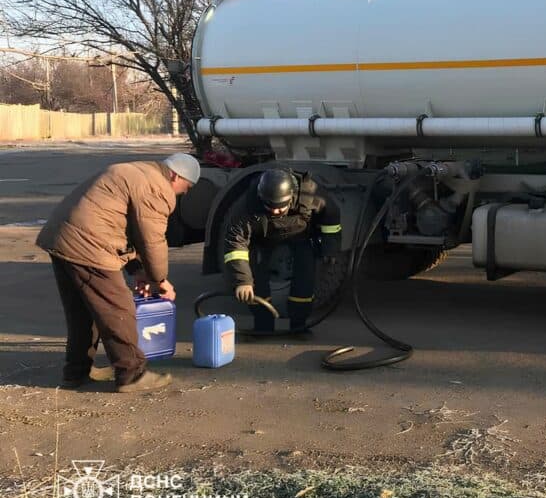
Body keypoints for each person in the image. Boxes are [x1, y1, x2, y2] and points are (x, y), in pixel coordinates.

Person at [36, 153, 200, 393]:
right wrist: (159, 280)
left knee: (82, 312)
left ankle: (76, 372)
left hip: (62, 238)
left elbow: (124, 227)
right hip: (88, 245)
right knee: (119, 310)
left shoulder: (137, 171)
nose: (184, 193)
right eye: (187, 187)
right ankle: (131, 375)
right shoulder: (158, 187)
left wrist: (138, 270)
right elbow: (152, 240)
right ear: (175, 176)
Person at [223, 168, 342, 332]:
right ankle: (263, 325)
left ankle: (298, 325)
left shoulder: (310, 194)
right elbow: (235, 246)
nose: (274, 211)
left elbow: (331, 219)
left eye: (280, 208)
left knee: (305, 278)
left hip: (301, 237)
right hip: (262, 240)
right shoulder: (246, 206)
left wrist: (330, 248)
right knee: (256, 280)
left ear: (291, 196)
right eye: (269, 206)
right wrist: (242, 281)